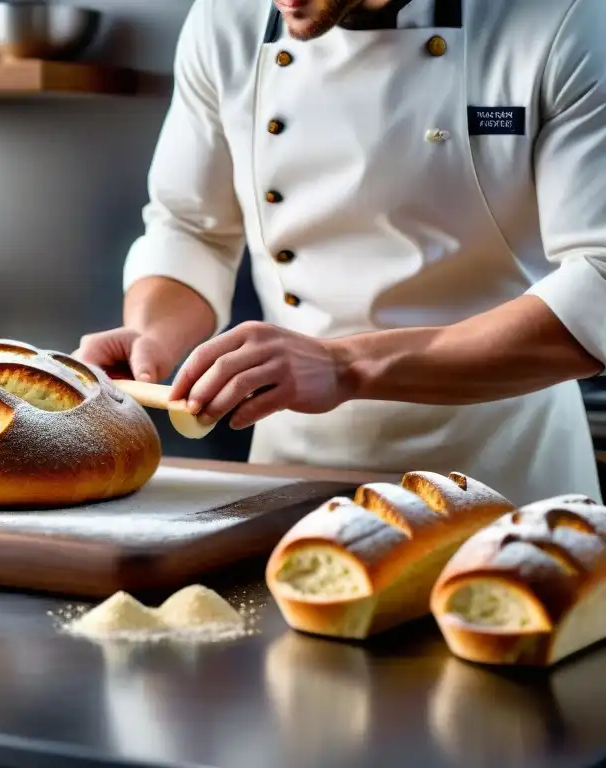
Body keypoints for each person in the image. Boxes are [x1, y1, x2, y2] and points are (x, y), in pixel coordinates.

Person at [75, 0, 606, 505]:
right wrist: (153, 337)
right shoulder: (226, 20)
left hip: (504, 472)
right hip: (290, 477)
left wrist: (343, 365)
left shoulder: (561, 20)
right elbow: (192, 226)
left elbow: (597, 284)